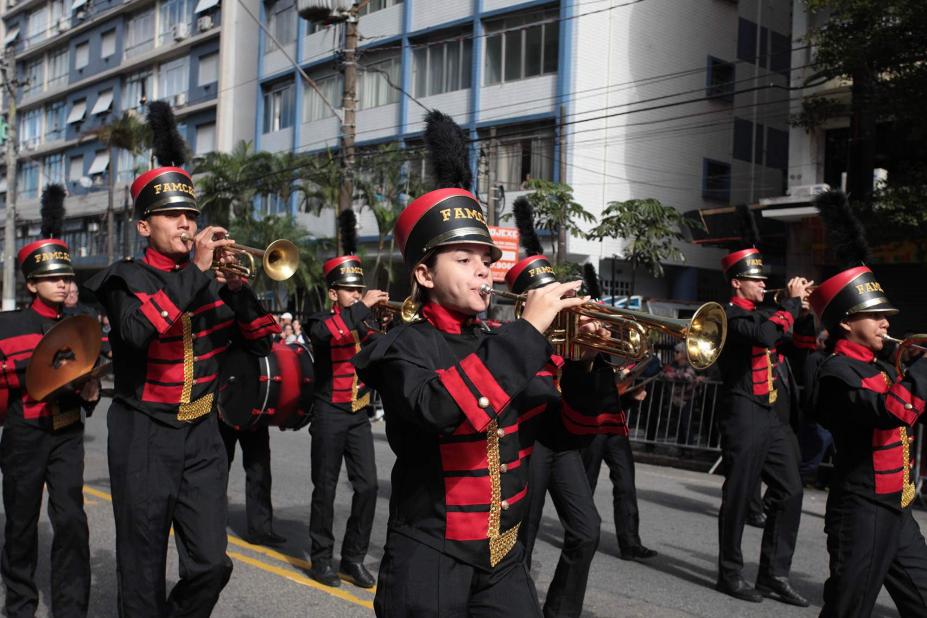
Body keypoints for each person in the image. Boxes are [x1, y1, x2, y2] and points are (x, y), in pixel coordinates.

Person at [353, 185, 618, 617]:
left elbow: (566, 432)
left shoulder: (499, 343)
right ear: (424, 275)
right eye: (464, 260)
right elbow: (438, 410)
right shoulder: (402, 347)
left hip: (503, 559)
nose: (484, 272)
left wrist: (583, 365)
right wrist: (528, 332)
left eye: (487, 260)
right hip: (430, 555)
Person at [85, 101, 279, 617]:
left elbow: (262, 343)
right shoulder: (123, 277)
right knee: (142, 568)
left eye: (191, 215)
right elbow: (135, 333)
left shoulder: (214, 280)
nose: (187, 224)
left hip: (203, 437)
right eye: (174, 215)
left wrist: (239, 291)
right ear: (145, 225)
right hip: (144, 432)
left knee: (212, 565)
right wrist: (196, 272)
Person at [0, 210, 101, 618]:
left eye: (67, 277)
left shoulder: (83, 325)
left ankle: (71, 609)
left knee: (72, 522)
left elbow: (88, 387)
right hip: (25, 433)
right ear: (31, 284)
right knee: (21, 527)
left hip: (67, 433)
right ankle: (21, 605)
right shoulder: (7, 327)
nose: (64, 283)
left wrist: (91, 390)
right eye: (54, 278)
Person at [714, 246, 815, 606]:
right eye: (756, 278)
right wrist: (789, 304)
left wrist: (803, 313)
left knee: (791, 490)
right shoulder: (727, 315)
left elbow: (801, 346)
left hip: (772, 413)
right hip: (742, 410)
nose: (763, 283)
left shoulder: (765, 313)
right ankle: (729, 573)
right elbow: (766, 337)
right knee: (740, 494)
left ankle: (774, 573)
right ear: (738, 282)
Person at [509, 255, 604, 618]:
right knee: (523, 540)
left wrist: (590, 356)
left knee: (587, 530)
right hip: (527, 443)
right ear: (525, 302)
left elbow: (588, 404)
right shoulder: (513, 340)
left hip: (561, 442)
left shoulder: (569, 341)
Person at [306, 211, 385, 589]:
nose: (358, 295)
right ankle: (321, 559)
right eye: (351, 291)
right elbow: (327, 336)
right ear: (334, 292)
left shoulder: (365, 320)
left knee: (368, 487)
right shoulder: (319, 319)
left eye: (360, 289)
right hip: (328, 413)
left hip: (357, 414)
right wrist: (362, 309)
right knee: (324, 488)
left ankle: (352, 557)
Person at [219, 420, 286, 547]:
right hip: (223, 412)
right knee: (218, 470)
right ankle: (212, 523)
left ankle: (260, 529)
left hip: (254, 416)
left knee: (260, 471)